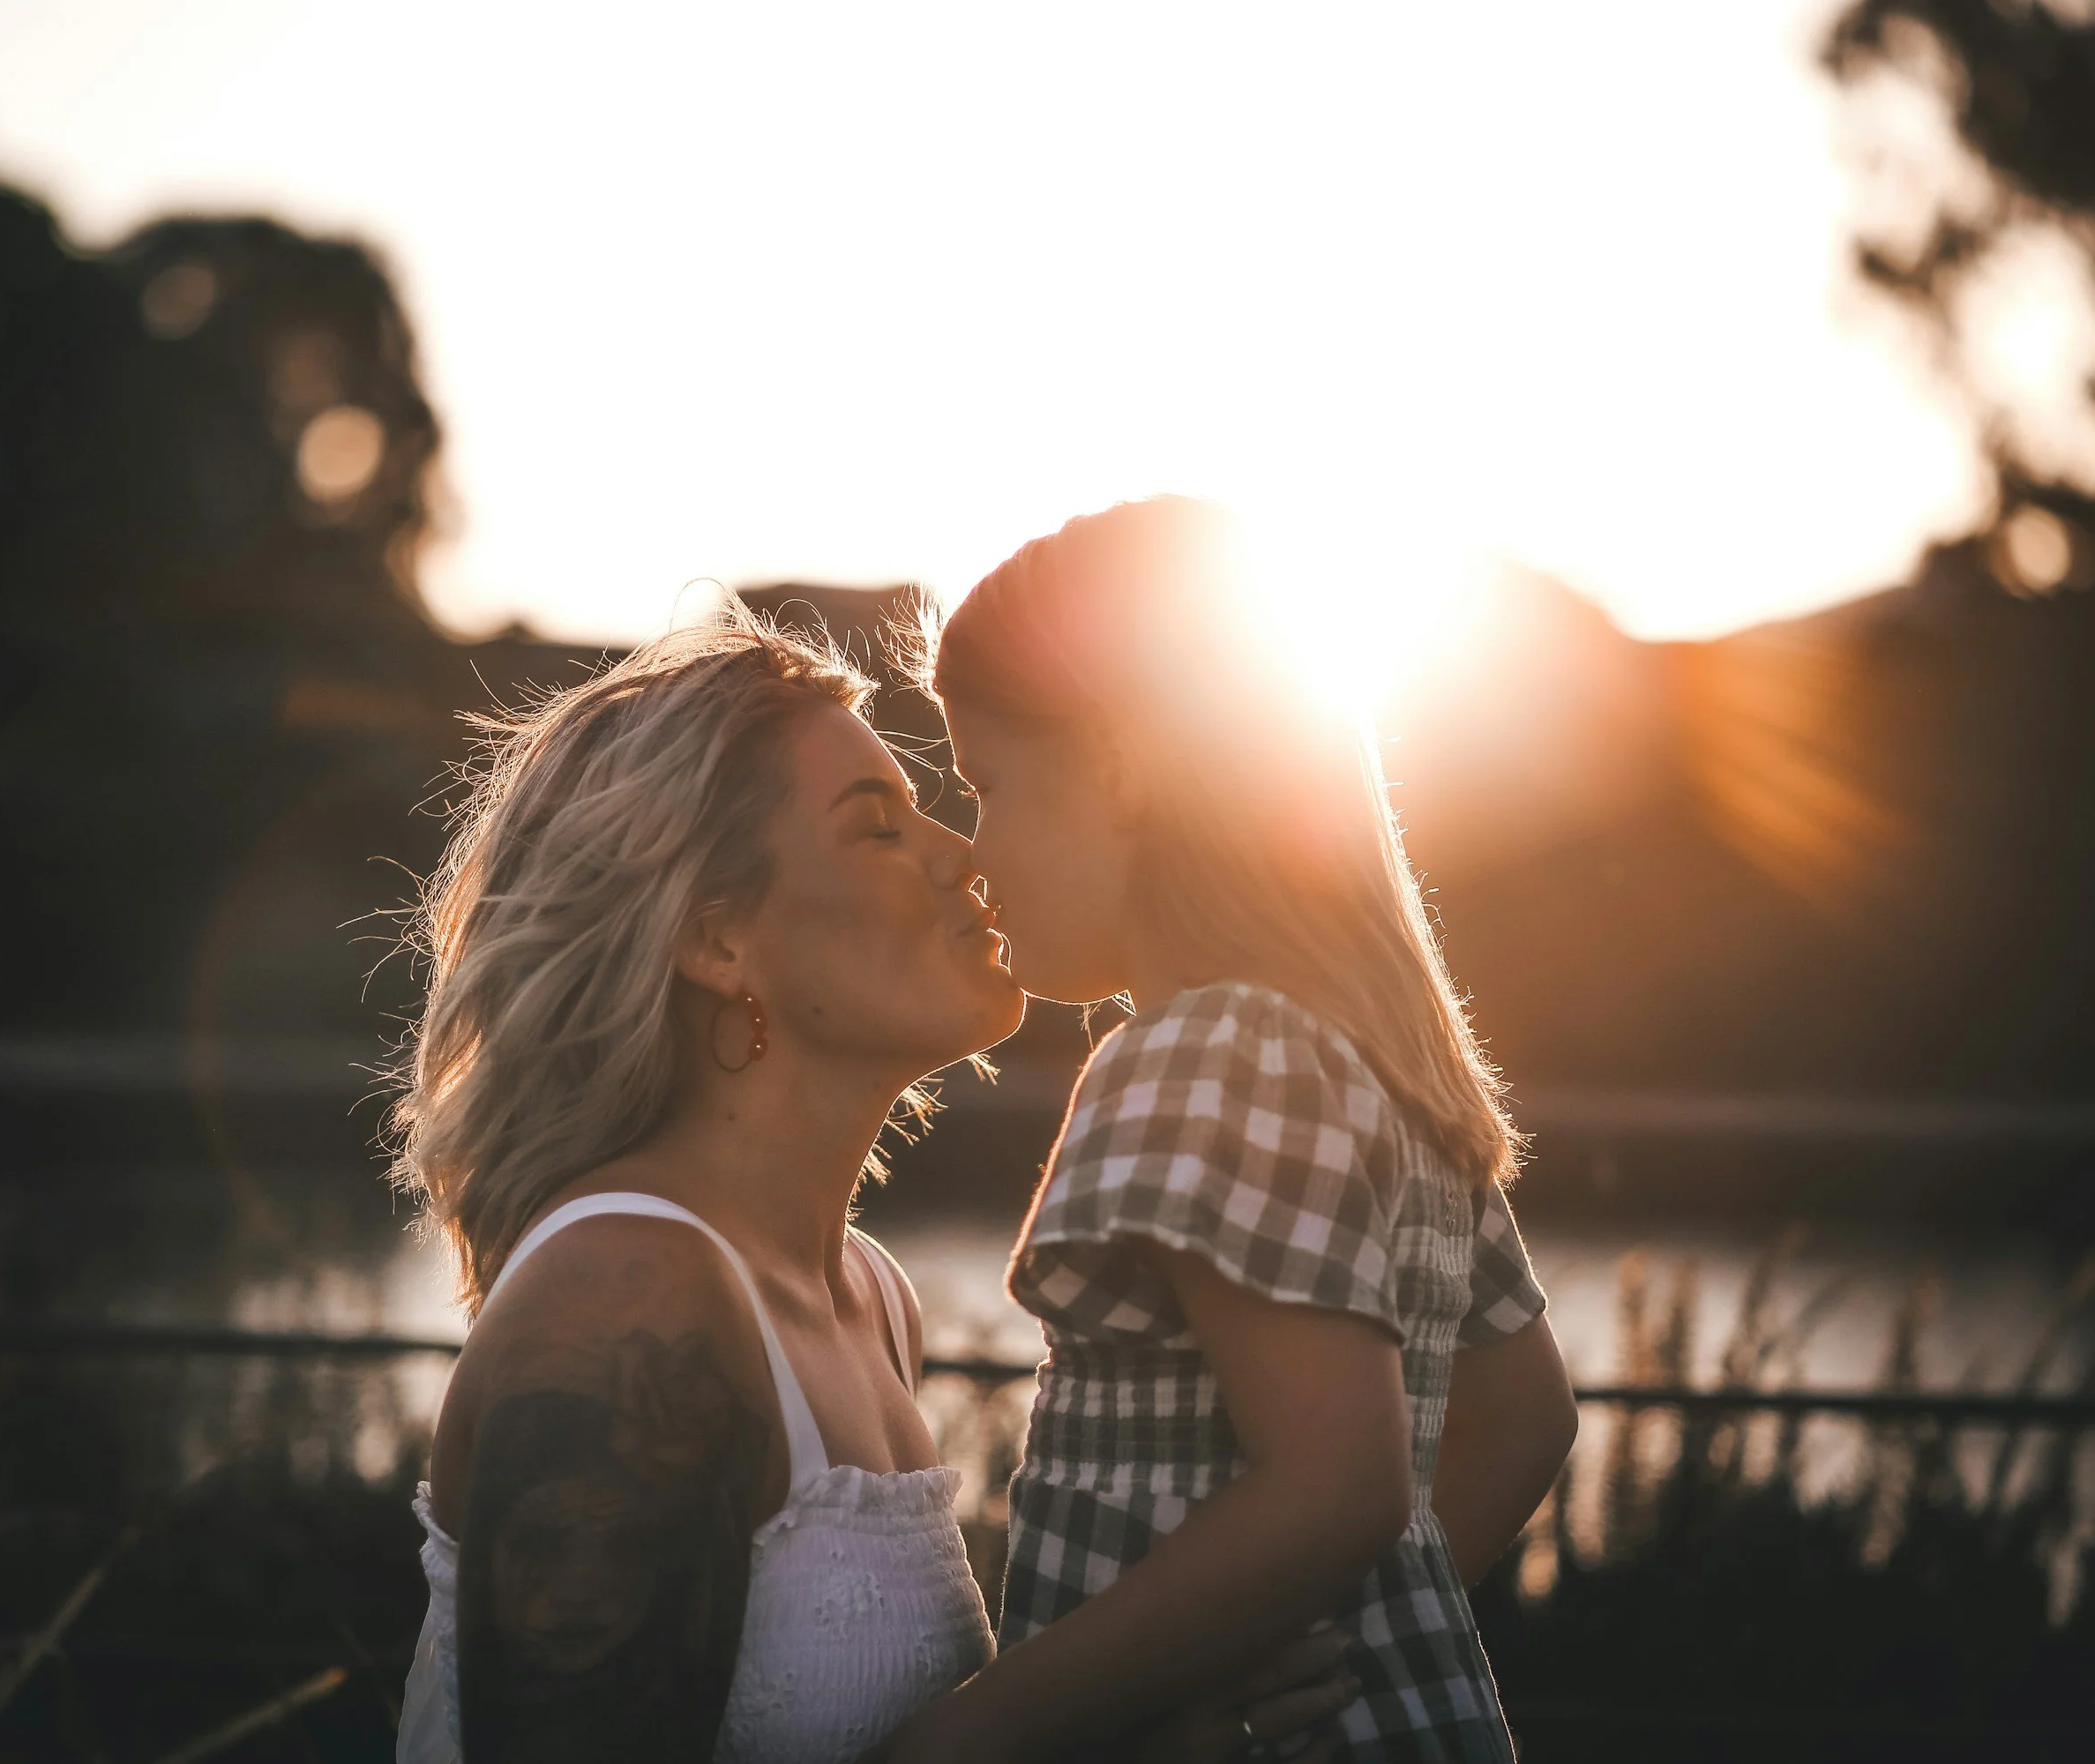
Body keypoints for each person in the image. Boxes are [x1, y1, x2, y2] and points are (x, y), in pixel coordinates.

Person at [879, 498, 1580, 1761]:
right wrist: (1357, 1647)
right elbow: (1525, 1415)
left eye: (988, 784)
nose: (976, 850)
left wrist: (961, 1743)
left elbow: (1339, 1485)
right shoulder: (1380, 1071)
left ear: (1116, 766)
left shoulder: (1201, 1054)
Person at [388, 615, 1022, 1763]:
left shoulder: (870, 1301)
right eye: (878, 827)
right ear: (716, 940)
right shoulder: (631, 1297)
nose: (958, 852)